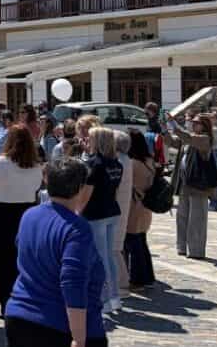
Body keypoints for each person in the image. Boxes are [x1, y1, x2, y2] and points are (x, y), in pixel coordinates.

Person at [5, 157, 107, 347]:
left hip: (20, 316)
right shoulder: (76, 228)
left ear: (47, 181)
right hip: (58, 326)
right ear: (80, 187)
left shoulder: (29, 216)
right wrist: (78, 338)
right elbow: (72, 281)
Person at [0, 125, 44, 317]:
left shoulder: (0, 162)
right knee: (23, 260)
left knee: (3, 262)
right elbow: (35, 188)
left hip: (2, 213)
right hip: (26, 211)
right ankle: (26, 303)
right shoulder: (35, 166)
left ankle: (8, 305)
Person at [82, 127, 124, 313]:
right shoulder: (116, 163)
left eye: (90, 139)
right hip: (111, 211)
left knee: (100, 258)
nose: (87, 141)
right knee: (109, 256)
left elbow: (87, 193)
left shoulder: (95, 164)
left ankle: (104, 299)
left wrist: (76, 213)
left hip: (95, 214)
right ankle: (114, 296)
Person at [165, 114, 216, 259]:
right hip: (185, 184)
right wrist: (163, 129)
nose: (193, 124)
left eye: (196, 122)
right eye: (192, 121)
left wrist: (173, 124)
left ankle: (196, 251)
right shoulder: (189, 138)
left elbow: (187, 138)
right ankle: (181, 247)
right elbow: (172, 142)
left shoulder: (204, 139)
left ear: (204, 125)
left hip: (199, 185)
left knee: (197, 219)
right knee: (182, 217)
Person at [124, 130, 156, 290]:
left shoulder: (132, 163)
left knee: (133, 244)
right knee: (141, 243)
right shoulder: (149, 160)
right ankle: (147, 276)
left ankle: (137, 280)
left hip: (133, 205)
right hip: (145, 205)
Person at [112, 130, 134, 297]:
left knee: (114, 248)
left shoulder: (120, 161)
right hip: (121, 206)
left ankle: (121, 282)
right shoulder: (125, 160)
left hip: (118, 207)